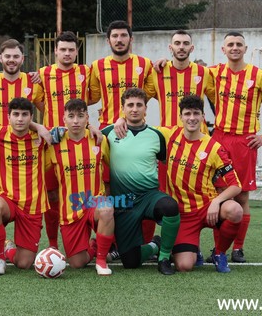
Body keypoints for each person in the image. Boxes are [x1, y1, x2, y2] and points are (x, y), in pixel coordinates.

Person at [158, 95, 243, 273]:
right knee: (184, 266)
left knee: (235, 210)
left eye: (196, 113)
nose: (192, 118)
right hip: (183, 214)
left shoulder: (213, 147)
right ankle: (190, 248)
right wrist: (120, 120)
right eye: (187, 113)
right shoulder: (169, 135)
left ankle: (219, 253)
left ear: (203, 116)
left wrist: (216, 201)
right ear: (180, 117)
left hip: (207, 207)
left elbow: (236, 185)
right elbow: (139, 127)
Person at [89, 20, 156, 243]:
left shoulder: (145, 65)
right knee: (107, 189)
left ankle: (143, 242)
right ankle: (110, 241)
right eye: (114, 36)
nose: (119, 40)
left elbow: (152, 93)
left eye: (123, 36)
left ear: (131, 39)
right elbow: (92, 96)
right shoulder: (97, 66)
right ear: (108, 40)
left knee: (141, 187)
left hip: (135, 134)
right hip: (107, 136)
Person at [102, 88, 180, 275]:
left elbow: (164, 158)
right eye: (130, 105)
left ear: (146, 109)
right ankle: (155, 245)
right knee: (130, 261)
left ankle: (164, 257)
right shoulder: (109, 132)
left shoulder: (157, 135)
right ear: (123, 108)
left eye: (139, 105)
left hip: (148, 196)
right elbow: (85, 132)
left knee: (170, 207)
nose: (134, 109)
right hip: (123, 201)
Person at [206, 31, 262, 263]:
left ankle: (237, 249)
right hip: (219, 139)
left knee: (243, 196)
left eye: (239, 44)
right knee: (221, 193)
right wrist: (161, 64)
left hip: (244, 141)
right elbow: (186, 70)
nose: (235, 48)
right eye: (230, 44)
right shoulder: (215, 73)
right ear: (223, 49)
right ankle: (219, 248)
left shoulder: (257, 75)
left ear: (245, 49)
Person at [0, 97, 50, 275]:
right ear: (8, 117)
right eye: (16, 114)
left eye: (24, 115)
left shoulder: (42, 137)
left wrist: (40, 127)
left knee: (24, 263)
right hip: (8, 199)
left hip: (32, 206)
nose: (20, 119)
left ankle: (7, 247)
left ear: (31, 117)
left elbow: (74, 128)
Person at [47, 98, 114, 275]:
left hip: (93, 203)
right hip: (69, 211)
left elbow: (114, 166)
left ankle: (101, 260)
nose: (75, 121)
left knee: (107, 208)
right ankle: (93, 246)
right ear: (64, 119)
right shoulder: (53, 144)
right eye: (71, 116)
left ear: (87, 119)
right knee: (77, 262)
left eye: (80, 116)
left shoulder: (99, 140)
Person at [38, 31, 91, 250]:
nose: (67, 53)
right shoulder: (42, 73)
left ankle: (91, 242)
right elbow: (38, 100)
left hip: (82, 139)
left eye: (71, 49)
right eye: (63, 49)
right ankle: (52, 244)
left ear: (77, 52)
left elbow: (95, 96)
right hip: (54, 143)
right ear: (55, 51)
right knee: (52, 194)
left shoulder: (87, 71)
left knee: (89, 192)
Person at [0, 39, 43, 125]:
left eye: (16, 56)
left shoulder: (32, 82)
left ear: (22, 59)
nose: (11, 60)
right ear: (1, 58)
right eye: (7, 56)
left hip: (24, 138)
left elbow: (48, 111)